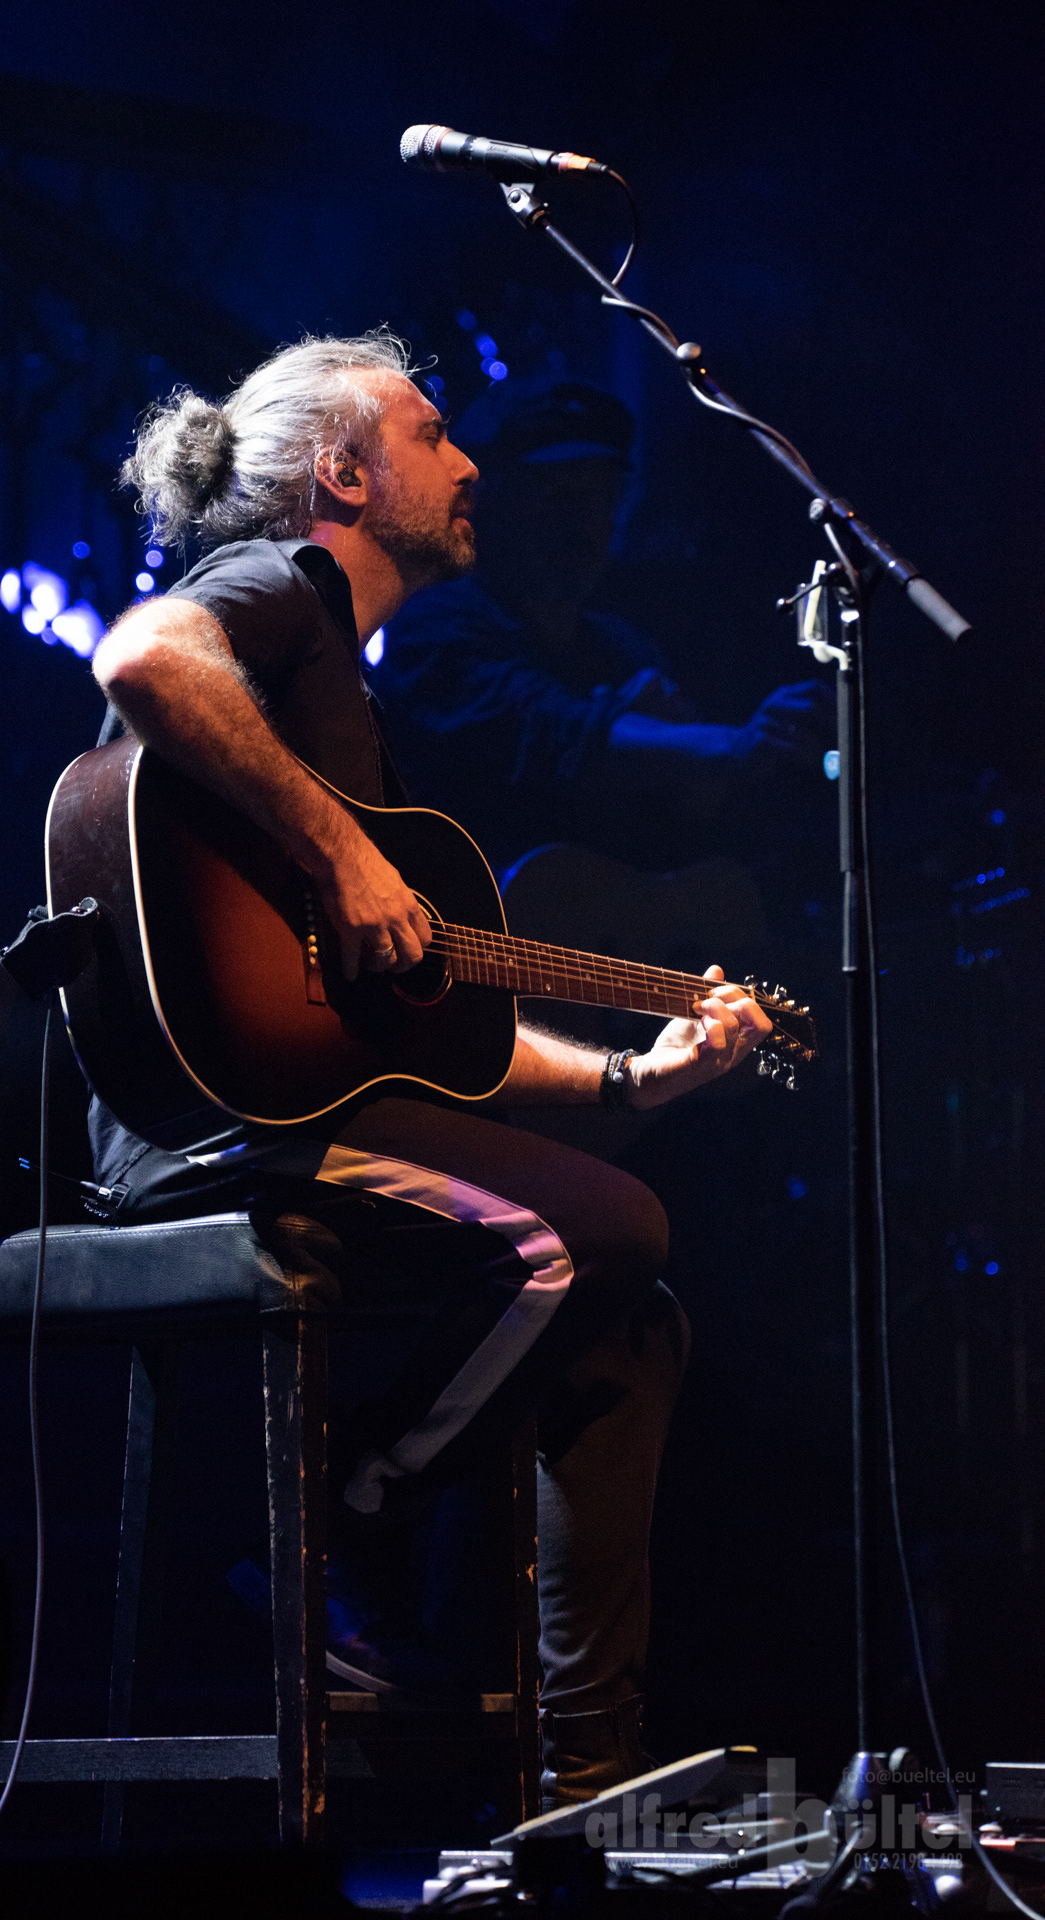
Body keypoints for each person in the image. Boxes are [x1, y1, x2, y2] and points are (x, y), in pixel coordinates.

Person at [87, 332, 771, 1807]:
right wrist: (344, 856)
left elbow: (435, 1037)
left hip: (306, 1104)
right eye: (434, 434)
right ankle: (338, 1523)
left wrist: (633, 1081)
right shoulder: (281, 586)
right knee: (596, 1233)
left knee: (628, 1322)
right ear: (343, 474)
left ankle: (582, 1779)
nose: (471, 466)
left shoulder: (343, 688)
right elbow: (139, 656)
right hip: (212, 1126)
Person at [374, 377, 832, 881]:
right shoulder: (432, 629)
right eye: (558, 495)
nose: (585, 522)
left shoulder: (623, 648)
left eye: (603, 496)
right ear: (493, 503)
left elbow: (699, 823)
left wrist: (740, 767)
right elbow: (551, 735)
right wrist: (730, 746)